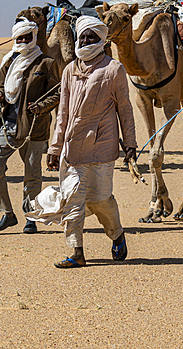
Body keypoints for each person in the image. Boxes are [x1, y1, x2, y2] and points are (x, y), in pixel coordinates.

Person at [28, 15, 137, 268]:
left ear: (100, 40)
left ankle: (117, 233)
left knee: (100, 199)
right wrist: (55, 148)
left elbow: (125, 109)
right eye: (83, 37)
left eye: (91, 37)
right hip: (73, 148)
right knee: (73, 198)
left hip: (102, 146)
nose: (86, 40)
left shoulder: (113, 69)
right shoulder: (69, 70)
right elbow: (63, 112)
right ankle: (76, 252)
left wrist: (130, 142)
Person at [0, 19, 60, 233]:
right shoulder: (8, 61)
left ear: (34, 37)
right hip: (8, 124)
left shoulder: (45, 63)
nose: (23, 41)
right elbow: (2, 87)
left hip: (34, 127)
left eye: (27, 37)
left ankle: (31, 217)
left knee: (32, 174)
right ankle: (7, 213)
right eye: (20, 38)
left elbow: (58, 91)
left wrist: (42, 106)